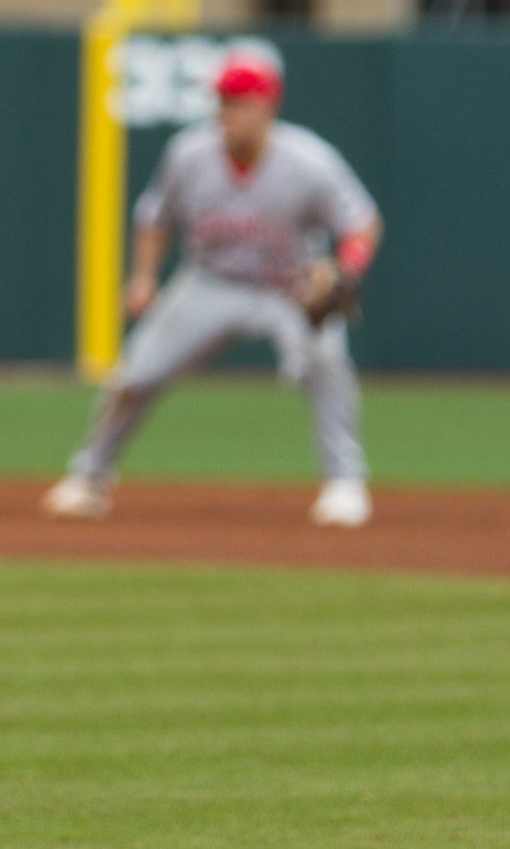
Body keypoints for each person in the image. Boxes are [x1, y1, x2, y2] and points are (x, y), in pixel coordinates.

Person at [43, 50, 384, 526]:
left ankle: (344, 483)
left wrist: (347, 270)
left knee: (326, 361)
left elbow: (362, 222)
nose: (229, 113)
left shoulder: (309, 160)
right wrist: (143, 278)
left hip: (288, 288)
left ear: (268, 106)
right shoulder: (190, 153)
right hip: (212, 282)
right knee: (134, 376)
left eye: (241, 101)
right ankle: (89, 478)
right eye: (224, 101)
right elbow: (154, 218)